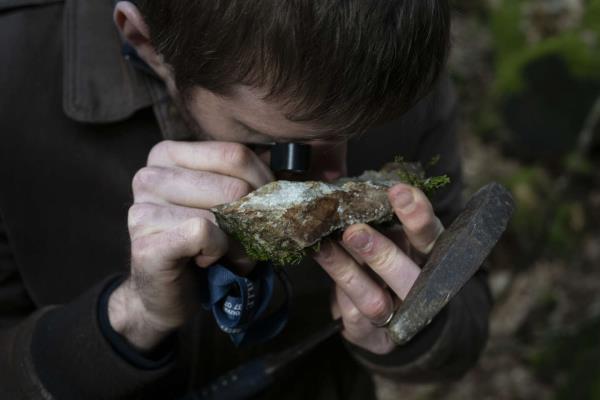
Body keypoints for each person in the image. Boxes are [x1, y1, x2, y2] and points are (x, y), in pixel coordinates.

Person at [0, 0, 491, 399]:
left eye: (355, 132)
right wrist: (128, 319)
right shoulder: (12, 73)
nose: (333, 171)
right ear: (145, 42)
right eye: (280, 142)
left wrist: (412, 324)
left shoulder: (395, 55)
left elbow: (464, 329)